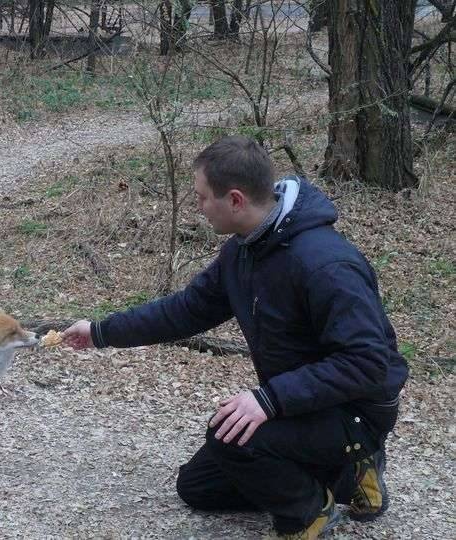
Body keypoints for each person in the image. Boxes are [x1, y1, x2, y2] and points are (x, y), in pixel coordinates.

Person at [62, 136, 408, 539]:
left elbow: (366, 363)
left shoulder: (325, 264)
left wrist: (269, 399)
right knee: (198, 487)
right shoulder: (244, 252)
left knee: (230, 439)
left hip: (355, 411)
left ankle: (310, 510)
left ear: (236, 200)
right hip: (304, 402)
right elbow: (185, 310)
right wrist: (100, 332)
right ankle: (347, 476)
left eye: (202, 197)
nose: (198, 207)